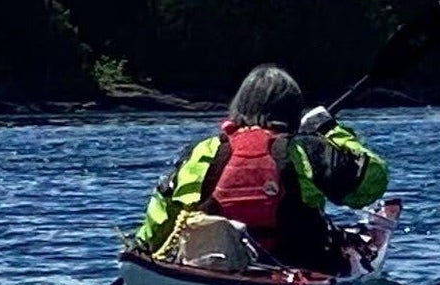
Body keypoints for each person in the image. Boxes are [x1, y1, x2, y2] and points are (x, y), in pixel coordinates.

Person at [132, 64, 389, 272]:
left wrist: (141, 252)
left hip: (212, 266)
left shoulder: (203, 150)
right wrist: (330, 130)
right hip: (299, 265)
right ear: (292, 111)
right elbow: (370, 184)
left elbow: (161, 216)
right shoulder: (305, 149)